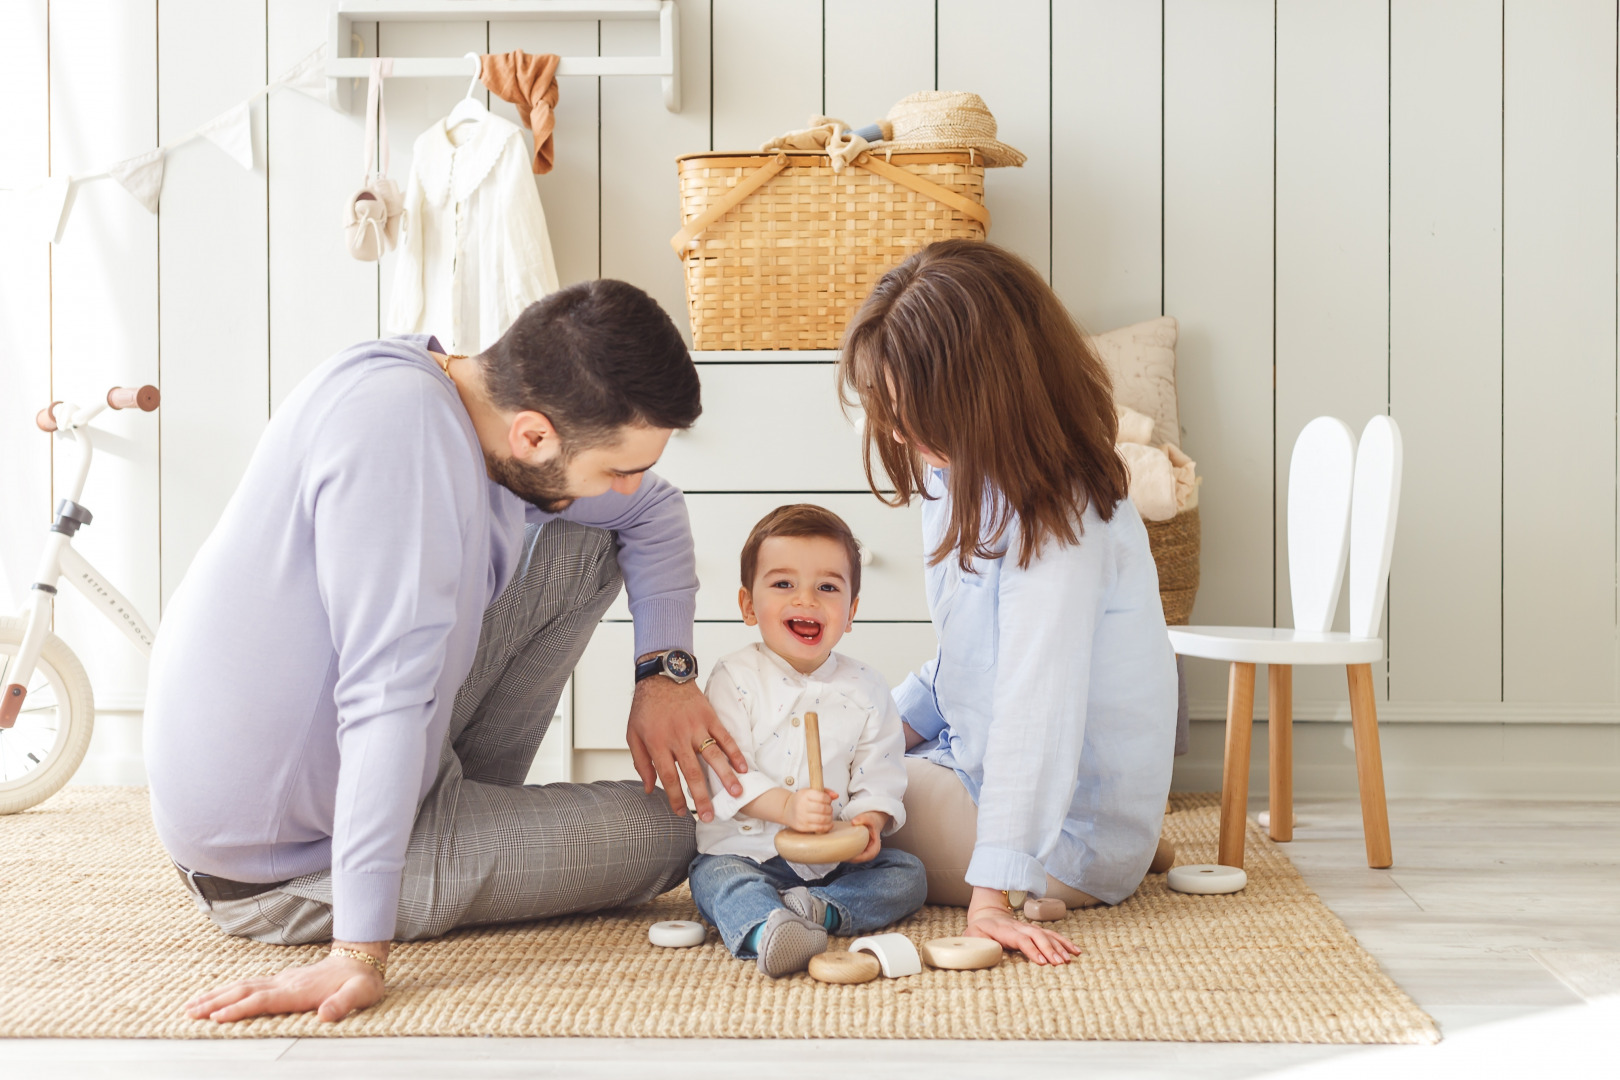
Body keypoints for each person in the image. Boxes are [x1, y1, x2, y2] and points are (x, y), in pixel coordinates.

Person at [145, 281, 753, 1024]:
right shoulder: (402, 446)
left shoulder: (450, 391)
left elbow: (653, 511)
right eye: (615, 469)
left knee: (584, 543)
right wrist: (358, 951)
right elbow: (382, 700)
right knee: (695, 825)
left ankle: (472, 814)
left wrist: (665, 672)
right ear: (534, 434)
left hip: (367, 764)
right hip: (289, 865)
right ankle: (433, 850)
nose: (629, 484)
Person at [837, 240, 1179, 967]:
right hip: (1005, 778)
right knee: (842, 749)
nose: (899, 433)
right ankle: (1126, 845)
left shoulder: (1062, 518)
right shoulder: (963, 471)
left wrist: (992, 897)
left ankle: (1088, 864)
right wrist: (883, 726)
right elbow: (966, 660)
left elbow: (1036, 705)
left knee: (825, 802)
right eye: (889, 412)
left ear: (984, 396)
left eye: (914, 413)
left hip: (1068, 835)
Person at [688, 505, 927, 977]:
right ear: (748, 606)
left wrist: (868, 822)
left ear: (851, 611)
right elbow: (728, 773)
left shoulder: (867, 687)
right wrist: (788, 809)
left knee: (908, 875)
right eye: (783, 584)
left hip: (831, 864)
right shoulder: (733, 677)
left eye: (827, 587)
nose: (807, 600)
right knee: (714, 880)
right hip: (747, 851)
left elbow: (880, 774)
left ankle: (816, 911)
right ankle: (765, 930)